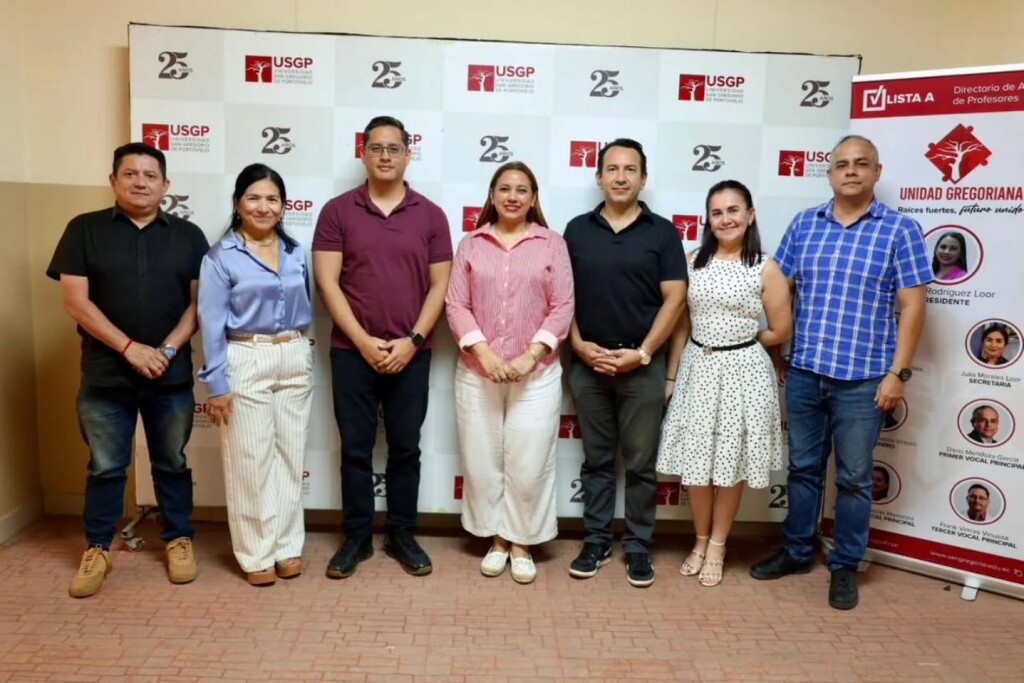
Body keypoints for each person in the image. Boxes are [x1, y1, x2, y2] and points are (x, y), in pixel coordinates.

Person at [749, 135, 932, 611]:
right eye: (842, 164)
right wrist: (776, 346)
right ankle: (796, 551)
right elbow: (777, 287)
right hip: (805, 372)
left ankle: (845, 563)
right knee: (803, 469)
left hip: (865, 379)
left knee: (853, 478)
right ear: (830, 174)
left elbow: (913, 307)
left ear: (876, 172)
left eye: (861, 164)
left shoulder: (900, 230)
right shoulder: (804, 224)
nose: (851, 171)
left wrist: (898, 373)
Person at [46, 142, 209, 598]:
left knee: (172, 462)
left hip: (169, 376)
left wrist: (167, 350)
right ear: (113, 180)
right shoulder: (83, 229)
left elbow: (200, 304)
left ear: (166, 185)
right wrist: (130, 348)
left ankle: (178, 539)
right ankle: (98, 547)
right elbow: (75, 302)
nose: (141, 182)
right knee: (105, 467)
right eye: (131, 174)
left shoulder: (189, 236)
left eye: (150, 175)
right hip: (105, 376)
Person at [313, 115, 453, 579]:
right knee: (355, 449)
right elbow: (327, 282)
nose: (386, 156)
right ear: (364, 153)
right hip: (352, 352)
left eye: (395, 148)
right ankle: (356, 538)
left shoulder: (431, 214)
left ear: (408, 155)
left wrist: (413, 341)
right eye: (377, 148)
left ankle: (401, 534)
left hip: (412, 353)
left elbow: (440, 286)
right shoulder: (337, 211)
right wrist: (362, 341)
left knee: (405, 448)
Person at [564, 138, 687, 587]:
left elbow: (675, 299)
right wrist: (578, 345)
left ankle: (638, 547)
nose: (620, 177)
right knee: (596, 461)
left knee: (639, 464)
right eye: (612, 169)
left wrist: (645, 353)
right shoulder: (576, 230)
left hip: (643, 364)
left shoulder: (663, 233)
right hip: (589, 362)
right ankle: (596, 541)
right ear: (598, 177)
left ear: (643, 178)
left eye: (630, 169)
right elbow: (561, 297)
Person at [445, 161, 574, 584]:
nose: (513, 196)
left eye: (521, 190)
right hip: (478, 371)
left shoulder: (552, 244)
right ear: (492, 195)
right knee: (482, 461)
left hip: (536, 374)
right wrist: (484, 354)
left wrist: (529, 356)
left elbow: (563, 306)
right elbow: (456, 304)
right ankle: (497, 540)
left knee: (529, 461)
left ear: (533, 198)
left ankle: (522, 543)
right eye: (504, 188)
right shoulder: (471, 244)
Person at [657, 180, 790, 587]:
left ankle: (718, 545)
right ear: (708, 219)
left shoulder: (765, 267)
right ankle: (699, 541)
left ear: (750, 215)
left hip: (744, 374)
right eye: (717, 212)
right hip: (697, 368)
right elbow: (681, 326)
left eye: (734, 210)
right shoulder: (691, 261)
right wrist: (671, 376)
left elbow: (782, 329)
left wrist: (744, 340)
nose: (726, 219)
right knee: (697, 464)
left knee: (730, 465)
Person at [197, 164, 313, 586]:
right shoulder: (220, 256)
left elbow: (307, 303)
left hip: (293, 354)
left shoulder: (295, 251)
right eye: (254, 198)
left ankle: (286, 546)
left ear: (283, 206)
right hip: (246, 354)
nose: (263, 207)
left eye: (272, 199)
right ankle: (256, 553)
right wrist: (217, 384)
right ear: (237, 204)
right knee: (250, 460)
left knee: (290, 457)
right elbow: (210, 323)